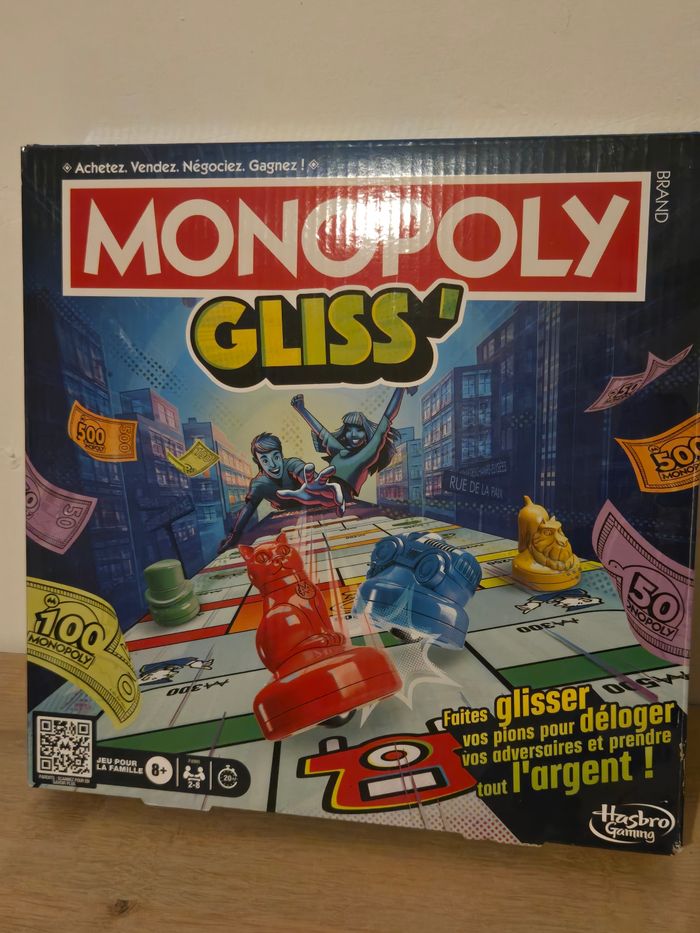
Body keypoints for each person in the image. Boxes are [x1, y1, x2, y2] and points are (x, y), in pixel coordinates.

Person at [218, 433, 344, 552]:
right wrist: (234, 536)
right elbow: (248, 508)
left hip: (317, 511)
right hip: (289, 522)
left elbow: (308, 478)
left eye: (276, 457)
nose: (273, 465)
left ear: (281, 454)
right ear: (258, 462)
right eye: (265, 461)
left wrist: (317, 489)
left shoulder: (292, 464)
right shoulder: (259, 484)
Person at [290, 388, 410, 499]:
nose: (353, 434)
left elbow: (387, 419)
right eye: (349, 430)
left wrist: (400, 388)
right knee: (295, 467)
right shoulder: (340, 452)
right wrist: (301, 409)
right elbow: (321, 432)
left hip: (339, 498)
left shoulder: (366, 455)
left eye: (359, 430)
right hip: (322, 492)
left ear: (366, 433)